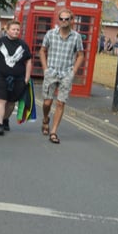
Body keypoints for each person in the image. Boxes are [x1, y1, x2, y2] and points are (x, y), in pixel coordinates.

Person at [39, 8, 84, 144]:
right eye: (62, 19)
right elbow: (42, 50)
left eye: (67, 19)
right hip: (51, 72)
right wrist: (45, 68)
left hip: (66, 74)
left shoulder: (76, 37)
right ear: (59, 20)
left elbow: (81, 55)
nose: (64, 21)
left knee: (60, 103)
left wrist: (73, 72)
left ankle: (53, 132)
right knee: (47, 102)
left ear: (71, 21)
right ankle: (46, 118)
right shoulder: (50, 34)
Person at [0, 20, 32, 136]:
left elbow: (28, 61)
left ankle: (5, 118)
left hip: (18, 79)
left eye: (18, 30)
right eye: (13, 29)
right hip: (0, 76)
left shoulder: (23, 45)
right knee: (1, 100)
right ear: (7, 30)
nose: (16, 32)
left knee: (11, 103)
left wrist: (26, 78)